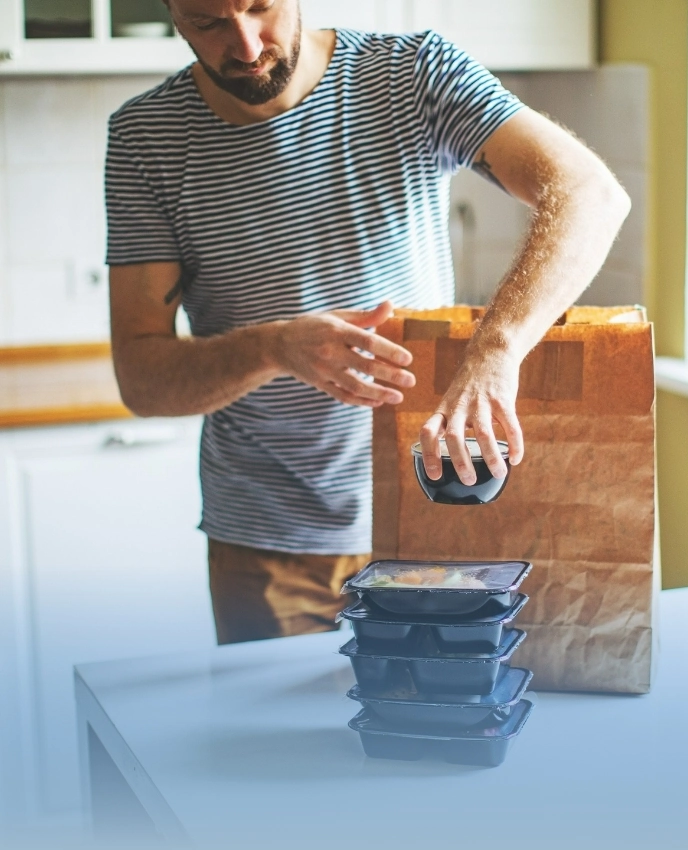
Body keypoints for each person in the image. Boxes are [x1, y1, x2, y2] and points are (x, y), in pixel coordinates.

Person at [106, 0, 630, 644]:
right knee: (282, 747)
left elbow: (590, 193)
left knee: (442, 731)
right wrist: (275, 347)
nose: (243, 46)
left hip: (438, 518)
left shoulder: (412, 74)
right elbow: (142, 379)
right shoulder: (145, 138)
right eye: (207, 23)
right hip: (269, 546)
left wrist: (495, 351)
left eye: (259, 8)